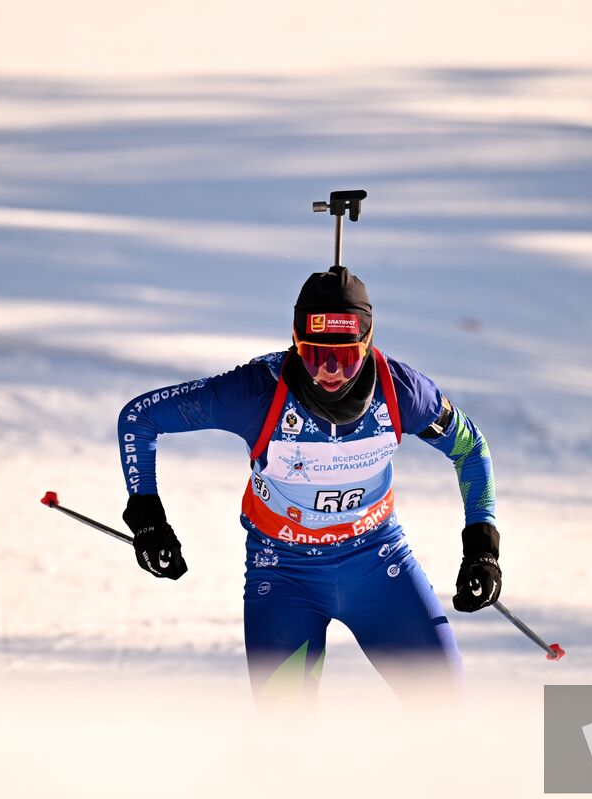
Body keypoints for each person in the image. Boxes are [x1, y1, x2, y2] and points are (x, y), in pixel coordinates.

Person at [115, 266, 500, 706]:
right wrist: (147, 520)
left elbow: (470, 448)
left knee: (447, 712)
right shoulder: (255, 392)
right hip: (284, 576)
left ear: (368, 343)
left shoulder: (402, 392)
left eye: (347, 356)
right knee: (287, 743)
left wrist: (482, 546)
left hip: (378, 567)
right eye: (315, 355)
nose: (331, 372)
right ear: (295, 342)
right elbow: (139, 417)